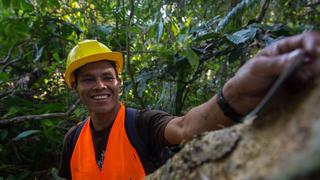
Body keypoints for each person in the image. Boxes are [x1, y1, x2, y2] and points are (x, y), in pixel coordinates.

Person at [58, 32, 320, 179]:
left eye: (107, 77)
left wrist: (236, 94)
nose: (100, 86)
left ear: (118, 83)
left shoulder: (141, 123)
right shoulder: (73, 140)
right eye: (88, 80)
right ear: (75, 86)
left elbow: (184, 128)